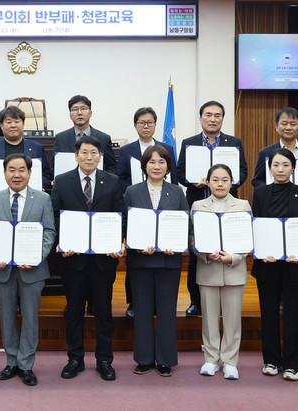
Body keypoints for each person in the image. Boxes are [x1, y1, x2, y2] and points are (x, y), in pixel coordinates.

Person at [51, 135, 124, 382]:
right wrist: (61, 241)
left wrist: (117, 242)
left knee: (103, 311)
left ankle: (104, 360)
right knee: (74, 311)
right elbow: (55, 215)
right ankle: (75, 358)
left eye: (94, 152)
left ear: (100, 156)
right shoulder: (62, 181)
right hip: (73, 259)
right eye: (84, 152)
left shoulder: (112, 181)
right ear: (76, 156)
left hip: (103, 260)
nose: (89, 157)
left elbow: (120, 216)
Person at [0, 153, 56, 387]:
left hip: (32, 270)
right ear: (4, 173)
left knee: (30, 319)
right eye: (11, 170)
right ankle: (11, 362)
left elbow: (49, 232)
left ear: (30, 173)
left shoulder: (43, 199)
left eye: (22, 170)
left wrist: (37, 257)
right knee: (6, 318)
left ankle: (26, 364)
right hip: (3, 270)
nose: (17, 174)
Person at [177, 100, 248, 318]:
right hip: (200, 206)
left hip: (227, 208)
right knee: (198, 254)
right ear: (201, 118)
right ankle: (196, 302)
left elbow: (243, 172)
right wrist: (194, 182)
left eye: (217, 115)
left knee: (227, 252)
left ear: (223, 119)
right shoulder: (189, 143)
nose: (213, 119)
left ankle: (226, 302)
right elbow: (180, 173)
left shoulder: (233, 142)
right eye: (208, 115)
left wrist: (226, 182)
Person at [251, 148, 298, 381]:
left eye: (286, 165)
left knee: (295, 314)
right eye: (276, 165)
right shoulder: (260, 193)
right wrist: (261, 251)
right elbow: (256, 226)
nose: (280, 169)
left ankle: (292, 364)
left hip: (296, 264)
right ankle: (271, 360)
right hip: (268, 264)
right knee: (268, 314)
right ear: (270, 168)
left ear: (293, 168)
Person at [123, 145, 188, 377]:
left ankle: (165, 359)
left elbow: (185, 223)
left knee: (167, 312)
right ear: (144, 165)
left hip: (168, 262)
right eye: (152, 162)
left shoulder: (177, 192)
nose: (157, 166)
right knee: (141, 311)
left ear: (168, 166)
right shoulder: (132, 191)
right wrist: (136, 244)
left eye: (161, 162)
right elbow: (126, 223)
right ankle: (143, 359)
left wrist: (176, 243)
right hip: (140, 261)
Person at [190, 164, 252, 380]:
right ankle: (211, 359)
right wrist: (205, 254)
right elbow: (192, 237)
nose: (220, 184)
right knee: (209, 318)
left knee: (233, 319)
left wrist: (233, 257)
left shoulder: (243, 205)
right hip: (208, 269)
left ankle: (231, 361)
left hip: (234, 269)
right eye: (215, 179)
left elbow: (247, 237)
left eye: (225, 180)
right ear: (208, 182)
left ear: (231, 182)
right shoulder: (198, 205)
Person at [115, 106, 178, 318]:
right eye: (141, 122)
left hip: (163, 204)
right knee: (137, 257)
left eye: (150, 122)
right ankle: (134, 302)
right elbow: (120, 177)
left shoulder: (166, 147)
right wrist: (136, 191)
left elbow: (173, 178)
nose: (146, 126)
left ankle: (159, 302)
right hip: (137, 204)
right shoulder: (127, 150)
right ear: (135, 126)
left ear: (155, 125)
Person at [0, 106, 53, 199]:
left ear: (23, 124)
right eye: (8, 122)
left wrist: (41, 186)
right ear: (1, 125)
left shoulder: (36, 147)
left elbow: (45, 173)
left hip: (30, 198)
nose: (13, 125)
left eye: (17, 122)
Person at [252, 107, 298, 188]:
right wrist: (271, 189)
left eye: (293, 124)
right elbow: (257, 181)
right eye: (284, 124)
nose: (288, 128)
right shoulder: (266, 152)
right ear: (276, 126)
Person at [53, 95, 117, 175]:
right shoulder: (60, 138)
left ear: (90, 113)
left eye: (83, 108)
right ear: (70, 115)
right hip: (68, 182)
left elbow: (111, 167)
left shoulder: (104, 138)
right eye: (75, 109)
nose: (79, 113)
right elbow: (54, 168)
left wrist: (104, 179)